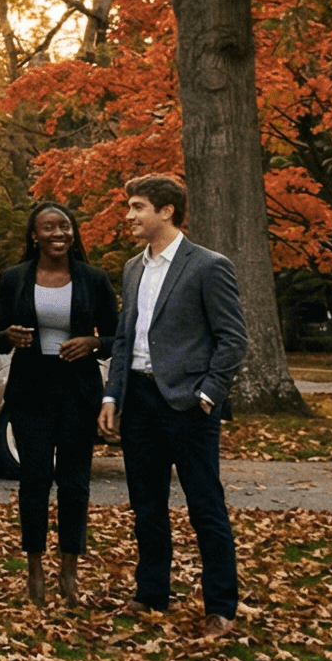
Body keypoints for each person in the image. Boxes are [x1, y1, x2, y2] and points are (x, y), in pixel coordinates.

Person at [103, 174, 244, 635]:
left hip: (189, 405)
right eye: (129, 206)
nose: (129, 215)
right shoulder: (133, 267)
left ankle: (220, 607)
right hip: (139, 402)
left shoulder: (207, 265)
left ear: (166, 211)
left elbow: (232, 339)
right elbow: (125, 339)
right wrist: (112, 394)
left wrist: (207, 395)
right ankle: (151, 595)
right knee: (147, 506)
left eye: (138, 206)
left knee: (206, 507)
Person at [0, 201, 113, 606]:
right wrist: (11, 335)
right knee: (35, 481)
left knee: (75, 484)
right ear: (34, 235)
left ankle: (70, 571)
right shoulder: (13, 278)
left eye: (65, 227)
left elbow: (117, 338)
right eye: (49, 228)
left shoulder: (94, 279)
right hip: (31, 391)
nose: (58, 234)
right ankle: (35, 569)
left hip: (78, 391)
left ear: (73, 233)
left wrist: (94, 343)